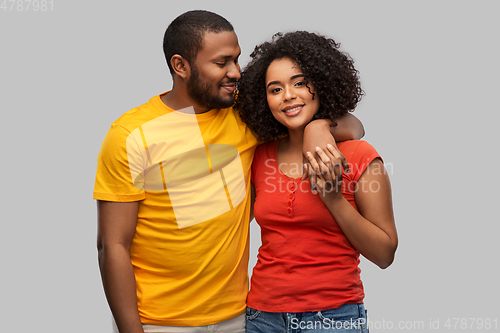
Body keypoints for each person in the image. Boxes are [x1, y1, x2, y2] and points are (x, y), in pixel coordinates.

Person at [94, 11, 364, 333]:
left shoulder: (245, 115)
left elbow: (353, 125)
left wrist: (319, 127)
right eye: (221, 63)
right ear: (181, 66)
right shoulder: (130, 134)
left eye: (236, 59)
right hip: (157, 322)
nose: (236, 72)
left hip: (240, 317)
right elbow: (113, 245)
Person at [235, 31, 398, 332]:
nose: (288, 96)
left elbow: (385, 253)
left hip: (334, 318)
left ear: (321, 85)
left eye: (299, 83)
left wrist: (333, 198)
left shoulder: (360, 155)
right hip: (262, 317)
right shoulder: (259, 156)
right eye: (275, 89)